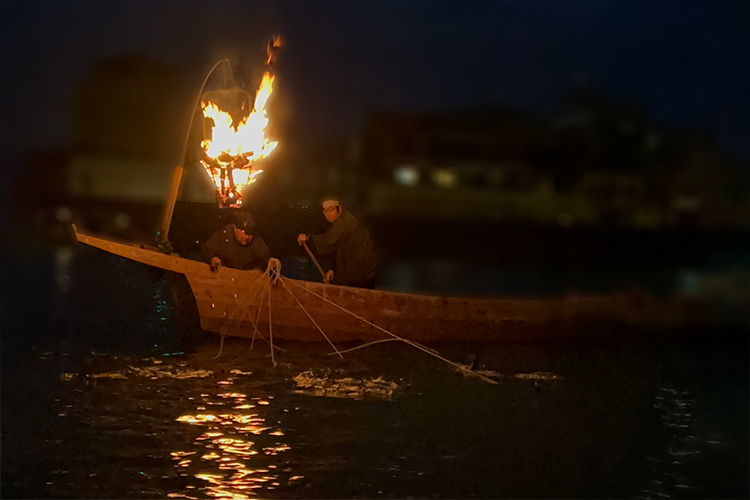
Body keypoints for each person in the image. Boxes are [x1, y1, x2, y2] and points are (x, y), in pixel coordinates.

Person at [297, 200, 376, 288]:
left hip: (361, 273)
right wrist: (333, 269)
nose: (328, 214)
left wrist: (308, 238)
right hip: (359, 271)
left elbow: (330, 240)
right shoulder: (344, 221)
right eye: (325, 211)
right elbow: (339, 248)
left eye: (331, 210)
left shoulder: (346, 221)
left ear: (340, 209)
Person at [202, 212, 271, 272]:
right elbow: (207, 249)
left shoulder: (256, 242)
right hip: (223, 274)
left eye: (250, 234)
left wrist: (269, 265)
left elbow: (265, 259)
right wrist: (212, 259)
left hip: (244, 278)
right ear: (235, 229)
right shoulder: (224, 235)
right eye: (243, 232)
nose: (246, 237)